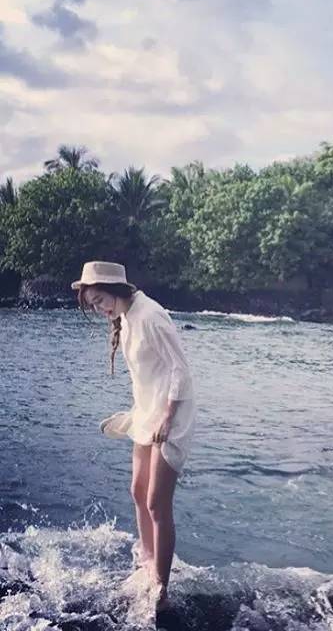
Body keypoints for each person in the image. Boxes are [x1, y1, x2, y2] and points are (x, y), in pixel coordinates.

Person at [72, 261, 196, 611]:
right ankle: (147, 562)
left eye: (100, 300)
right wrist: (133, 415)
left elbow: (181, 371)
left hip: (172, 414)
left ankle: (161, 587)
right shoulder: (125, 317)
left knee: (157, 502)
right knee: (137, 491)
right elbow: (147, 376)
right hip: (147, 412)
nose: (100, 309)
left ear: (115, 289)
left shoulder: (151, 315)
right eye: (94, 305)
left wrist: (167, 418)